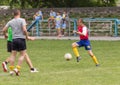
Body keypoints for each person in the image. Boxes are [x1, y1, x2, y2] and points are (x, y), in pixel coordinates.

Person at [2, 9, 35, 76]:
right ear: (19, 13)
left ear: (14, 14)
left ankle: (11, 70)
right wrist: (27, 36)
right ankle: (17, 68)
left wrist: (5, 35)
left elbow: (3, 30)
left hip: (14, 40)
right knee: (22, 54)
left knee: (13, 55)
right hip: (21, 39)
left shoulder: (10, 21)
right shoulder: (22, 20)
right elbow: (24, 30)